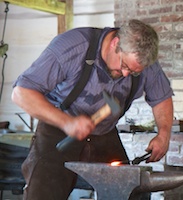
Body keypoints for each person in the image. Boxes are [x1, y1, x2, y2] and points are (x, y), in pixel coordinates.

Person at [11, 19, 173, 200]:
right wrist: (67, 122)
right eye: (125, 65)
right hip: (58, 129)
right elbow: (21, 93)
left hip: (104, 132)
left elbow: (162, 97)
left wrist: (164, 135)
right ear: (115, 43)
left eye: (133, 72)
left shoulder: (144, 62)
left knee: (128, 190)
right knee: (43, 194)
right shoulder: (72, 47)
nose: (126, 74)